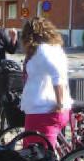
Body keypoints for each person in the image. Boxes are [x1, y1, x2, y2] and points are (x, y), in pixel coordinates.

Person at [20, 17, 71, 150]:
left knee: (37, 159)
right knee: (40, 155)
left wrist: (59, 104)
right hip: (48, 110)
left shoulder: (42, 50)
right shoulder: (55, 48)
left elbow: (57, 74)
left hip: (43, 112)